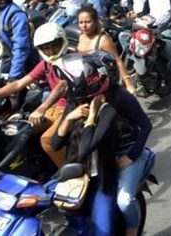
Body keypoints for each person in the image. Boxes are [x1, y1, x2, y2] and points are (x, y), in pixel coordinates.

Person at [0, 23, 70, 168]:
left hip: (72, 108)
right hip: (55, 108)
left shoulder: (70, 60)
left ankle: (72, 176)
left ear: (62, 42)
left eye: (54, 46)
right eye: (45, 48)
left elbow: (62, 85)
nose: (50, 51)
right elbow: (18, 84)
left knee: (48, 140)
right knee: (19, 132)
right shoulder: (45, 65)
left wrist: (42, 108)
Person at [51, 54, 118, 235]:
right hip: (75, 178)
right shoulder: (73, 106)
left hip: (100, 180)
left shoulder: (107, 112)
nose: (64, 85)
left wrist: (91, 116)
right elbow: (55, 144)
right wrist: (68, 119)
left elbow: (86, 148)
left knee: (102, 231)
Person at [76, 5, 137, 96]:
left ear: (95, 21)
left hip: (103, 84)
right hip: (86, 83)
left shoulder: (103, 39)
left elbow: (117, 61)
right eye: (81, 22)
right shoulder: (81, 37)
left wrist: (129, 84)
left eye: (88, 22)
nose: (84, 26)